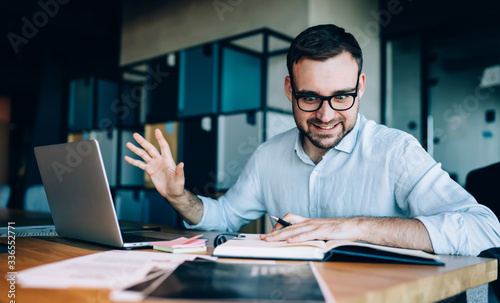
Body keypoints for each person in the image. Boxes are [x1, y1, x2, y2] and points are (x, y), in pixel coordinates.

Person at [125, 24, 500, 256]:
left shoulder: (395, 152)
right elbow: (222, 218)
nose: (325, 115)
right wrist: (178, 197)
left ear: (361, 87)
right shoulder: (269, 155)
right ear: (290, 89)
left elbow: (484, 226)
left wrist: (347, 227)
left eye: (341, 97)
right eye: (310, 98)